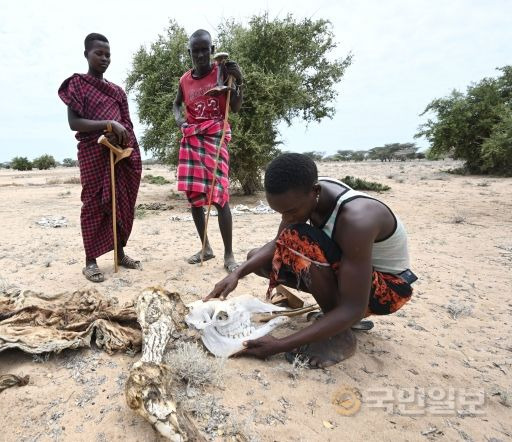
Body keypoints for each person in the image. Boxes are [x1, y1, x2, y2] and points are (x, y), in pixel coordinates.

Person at [206, 153, 417, 368]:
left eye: (290, 211)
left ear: (315, 191)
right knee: (257, 258)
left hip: (388, 291)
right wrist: (236, 274)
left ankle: (341, 337)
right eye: (279, 213)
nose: (285, 219)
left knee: (298, 239)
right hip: (353, 278)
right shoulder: (307, 194)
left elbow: (354, 307)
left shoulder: (357, 220)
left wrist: (280, 345)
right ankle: (333, 318)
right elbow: (278, 243)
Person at [58, 33, 142, 283]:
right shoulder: (77, 85)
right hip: (93, 153)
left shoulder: (117, 91)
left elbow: (126, 125)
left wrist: (122, 138)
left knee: (120, 202)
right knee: (94, 204)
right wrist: (107, 124)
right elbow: (74, 123)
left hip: (118, 156)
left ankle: (120, 253)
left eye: (108, 54)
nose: (104, 58)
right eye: (99, 53)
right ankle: (90, 261)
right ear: (87, 54)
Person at [172, 29, 244, 273]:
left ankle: (229, 254)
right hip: (192, 137)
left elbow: (234, 107)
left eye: (205, 49)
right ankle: (205, 248)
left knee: (220, 195)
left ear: (212, 50)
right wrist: (180, 121)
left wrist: (239, 82)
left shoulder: (222, 72)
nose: (201, 54)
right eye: (196, 50)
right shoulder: (184, 80)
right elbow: (176, 104)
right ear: (189, 52)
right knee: (194, 197)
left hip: (216, 136)